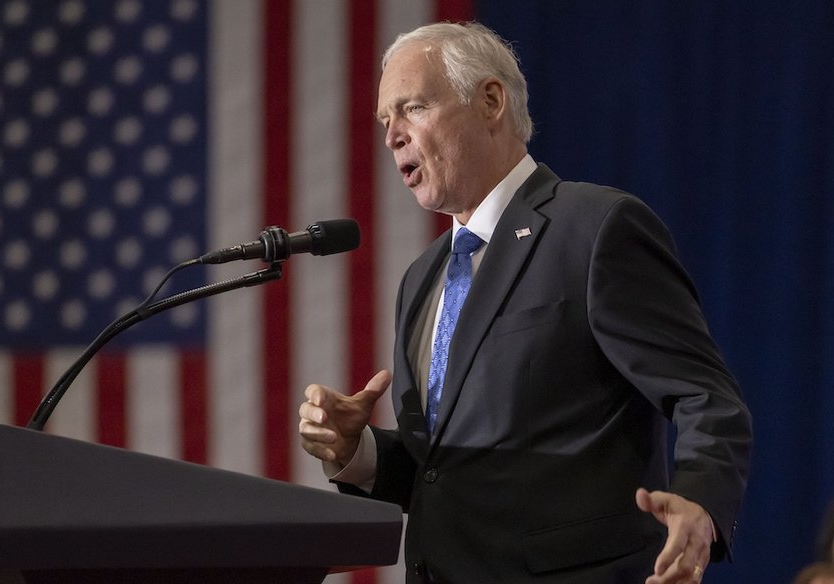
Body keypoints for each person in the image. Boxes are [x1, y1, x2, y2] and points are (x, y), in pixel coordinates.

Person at [298, 21, 752, 584]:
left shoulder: (594, 229)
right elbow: (444, 474)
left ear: (491, 101)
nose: (393, 136)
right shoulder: (422, 279)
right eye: (385, 121)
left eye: (412, 108)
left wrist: (700, 504)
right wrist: (358, 451)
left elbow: (707, 398)